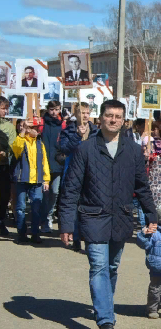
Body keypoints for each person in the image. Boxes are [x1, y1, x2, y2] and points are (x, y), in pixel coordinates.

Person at [59, 99, 158, 329]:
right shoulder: (85, 149)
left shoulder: (133, 150)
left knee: (112, 267)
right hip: (93, 217)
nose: (113, 120)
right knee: (99, 266)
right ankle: (105, 319)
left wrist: (151, 215)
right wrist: (66, 224)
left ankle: (104, 306)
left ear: (123, 121)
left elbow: (142, 186)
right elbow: (70, 189)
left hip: (121, 217)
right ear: (100, 118)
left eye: (117, 116)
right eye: (109, 115)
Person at [58, 102, 96, 251]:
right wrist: (77, 136)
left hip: (91, 172)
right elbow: (65, 149)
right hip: (73, 171)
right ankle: (75, 237)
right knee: (73, 205)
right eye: (82, 112)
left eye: (87, 112)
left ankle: (87, 237)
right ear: (76, 114)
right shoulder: (68, 130)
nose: (85, 115)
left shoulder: (95, 131)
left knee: (88, 206)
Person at [11, 117, 50, 244]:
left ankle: (35, 234)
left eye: (38, 129)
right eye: (35, 128)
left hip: (37, 181)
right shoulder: (21, 141)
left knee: (36, 209)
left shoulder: (40, 144)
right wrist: (23, 130)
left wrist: (46, 180)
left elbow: (44, 162)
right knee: (21, 208)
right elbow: (16, 149)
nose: (38, 131)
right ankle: (22, 234)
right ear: (28, 129)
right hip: (22, 179)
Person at [39, 99, 63, 233]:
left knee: (55, 192)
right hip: (43, 164)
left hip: (57, 163)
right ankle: (44, 220)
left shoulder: (63, 124)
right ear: (48, 110)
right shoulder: (42, 123)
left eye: (57, 109)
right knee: (45, 193)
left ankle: (49, 215)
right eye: (52, 109)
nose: (54, 112)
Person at [0, 97, 15, 237]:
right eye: (3, 108)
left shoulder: (9, 126)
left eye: (6, 108)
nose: (5, 111)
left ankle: (1, 221)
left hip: (3, 166)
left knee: (4, 196)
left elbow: (13, 145)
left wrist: (6, 153)